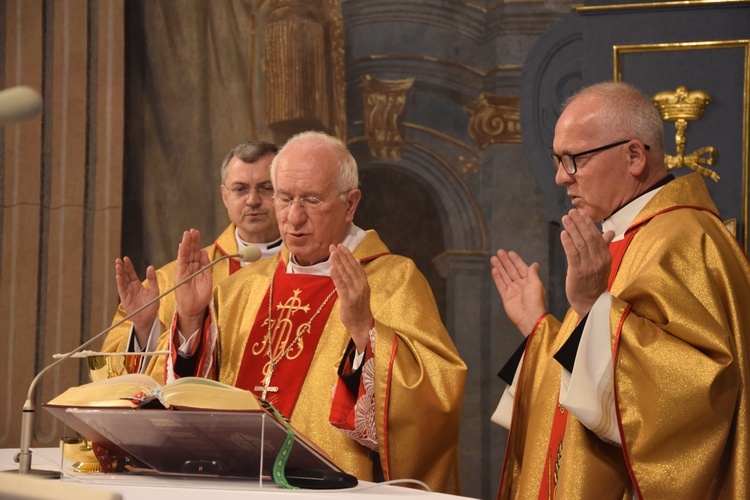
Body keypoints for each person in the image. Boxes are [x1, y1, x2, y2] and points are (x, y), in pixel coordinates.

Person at [160, 131, 467, 494]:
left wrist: (365, 333)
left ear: (350, 204)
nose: (292, 217)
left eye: (311, 200)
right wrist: (193, 322)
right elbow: (190, 403)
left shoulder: (393, 281)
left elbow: (436, 400)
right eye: (285, 198)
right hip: (236, 485)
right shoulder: (242, 287)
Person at [492, 81, 750, 499]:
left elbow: (701, 393)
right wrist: (539, 330)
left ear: (633, 155)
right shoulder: (619, 236)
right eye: (558, 160)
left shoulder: (687, 238)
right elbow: (581, 386)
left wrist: (596, 307)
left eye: (574, 159)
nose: (561, 177)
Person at [101, 141, 282, 379]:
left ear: (284, 194)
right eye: (240, 189)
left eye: (265, 188)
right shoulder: (173, 281)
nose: (252, 200)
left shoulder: (312, 269)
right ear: (224, 195)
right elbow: (109, 372)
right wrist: (145, 329)